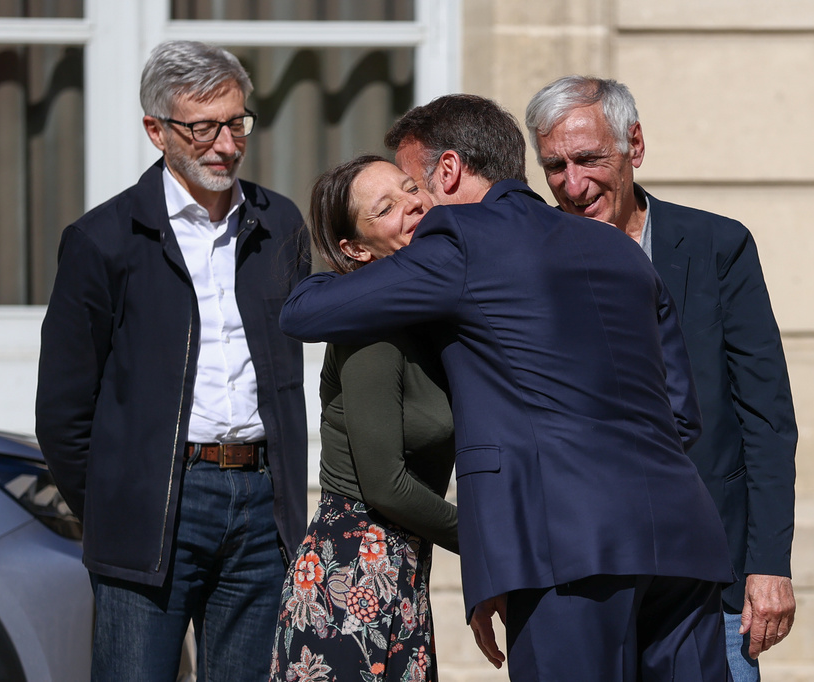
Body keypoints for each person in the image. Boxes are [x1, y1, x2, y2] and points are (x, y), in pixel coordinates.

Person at [280, 94, 735, 681]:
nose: (417, 204)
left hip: (562, 550)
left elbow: (302, 313)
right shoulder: (618, 249)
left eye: (413, 185)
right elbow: (682, 412)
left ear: (447, 170)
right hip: (680, 538)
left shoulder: (461, 242)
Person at [35, 40, 309, 681]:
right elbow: (63, 411)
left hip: (263, 506)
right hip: (153, 508)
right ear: (156, 130)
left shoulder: (280, 226)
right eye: (202, 127)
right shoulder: (101, 241)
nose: (225, 144)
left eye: (236, 122)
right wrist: (116, 502)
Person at [525, 75, 798, 681]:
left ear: (634, 146)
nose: (573, 185)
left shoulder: (716, 246)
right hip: (580, 585)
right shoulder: (527, 260)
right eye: (554, 166)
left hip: (709, 583)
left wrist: (769, 564)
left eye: (589, 159)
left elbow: (766, 417)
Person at [270, 155, 458, 681]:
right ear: (355, 249)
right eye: (386, 207)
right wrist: (488, 538)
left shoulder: (426, 316)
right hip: (349, 571)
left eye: (410, 188)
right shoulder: (370, 324)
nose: (413, 205)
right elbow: (386, 485)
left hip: (399, 571)